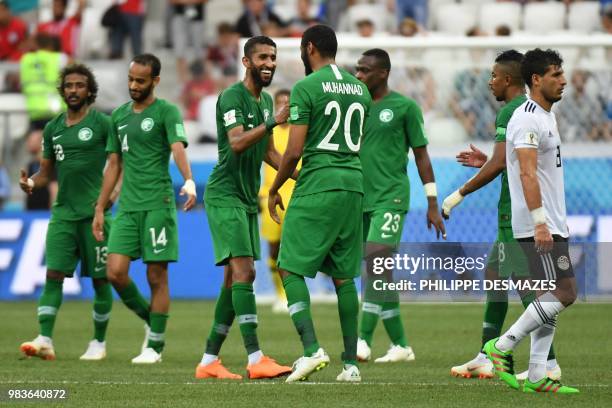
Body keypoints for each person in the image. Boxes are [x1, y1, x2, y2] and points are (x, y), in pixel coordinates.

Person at [443, 50, 561, 381]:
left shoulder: (512, 111)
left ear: (508, 79)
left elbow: (500, 163)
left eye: (493, 76)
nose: (489, 82)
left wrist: (458, 194)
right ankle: (486, 354)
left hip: (517, 213)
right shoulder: (528, 111)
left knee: (527, 285)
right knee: (495, 274)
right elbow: (509, 160)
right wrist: (493, 160)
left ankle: (548, 364)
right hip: (513, 211)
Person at [267, 24, 372, 383]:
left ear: (309, 48)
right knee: (344, 278)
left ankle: (311, 351)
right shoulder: (360, 89)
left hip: (318, 184)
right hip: (353, 186)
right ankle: (351, 365)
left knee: (289, 268)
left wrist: (275, 187)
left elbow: (294, 149)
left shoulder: (305, 87)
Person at [482, 48, 579, 394]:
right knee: (565, 292)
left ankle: (538, 374)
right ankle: (502, 346)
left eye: (562, 73)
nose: (563, 80)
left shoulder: (545, 115)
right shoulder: (526, 118)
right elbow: (525, 172)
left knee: (545, 294)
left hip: (552, 219)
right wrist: (540, 222)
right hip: (538, 222)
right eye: (555, 74)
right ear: (536, 79)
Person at [196, 36, 292, 380]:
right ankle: (255, 359)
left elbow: (268, 151)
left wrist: (289, 178)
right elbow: (237, 142)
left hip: (248, 197)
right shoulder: (232, 97)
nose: (269, 62)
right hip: (224, 195)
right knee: (245, 273)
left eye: (273, 57)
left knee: (231, 280)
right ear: (247, 62)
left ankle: (209, 361)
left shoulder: (265, 100)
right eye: (263, 57)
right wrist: (274, 122)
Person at [93, 53, 197, 364]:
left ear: (155, 81)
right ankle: (152, 321)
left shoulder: (166, 112)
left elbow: (177, 147)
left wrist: (189, 179)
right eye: (130, 79)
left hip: (157, 204)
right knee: (115, 272)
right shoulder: (119, 117)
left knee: (156, 276)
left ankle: (155, 346)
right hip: (127, 208)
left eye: (140, 80)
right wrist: (101, 207)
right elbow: (114, 164)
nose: (134, 85)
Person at [354, 48, 445, 364]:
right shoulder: (355, 106)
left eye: (365, 71)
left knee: (377, 265)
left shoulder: (405, 107)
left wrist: (432, 201)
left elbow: (421, 156)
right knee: (378, 273)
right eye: (357, 70)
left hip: (391, 198)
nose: (359, 75)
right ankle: (401, 345)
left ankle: (362, 339)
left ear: (383, 73)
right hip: (359, 199)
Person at [19, 63, 115, 361]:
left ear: (89, 90)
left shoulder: (102, 124)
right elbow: (47, 172)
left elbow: (116, 162)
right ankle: (45, 338)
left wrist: (110, 196)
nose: (73, 90)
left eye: (79, 85)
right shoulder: (53, 128)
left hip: (93, 215)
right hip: (62, 214)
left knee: (100, 280)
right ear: (62, 91)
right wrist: (32, 181)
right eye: (69, 86)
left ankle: (98, 343)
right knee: (53, 274)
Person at [258, 88, 295, 313]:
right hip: (269, 197)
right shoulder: (267, 133)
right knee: (273, 249)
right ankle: (280, 294)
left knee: (292, 250)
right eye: (280, 103)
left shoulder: (301, 132)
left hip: (296, 197)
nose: (284, 106)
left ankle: (294, 294)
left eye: (287, 103)